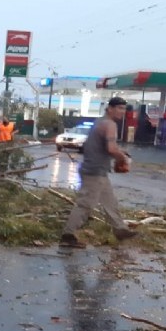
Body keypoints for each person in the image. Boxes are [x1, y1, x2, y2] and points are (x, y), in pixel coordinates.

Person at [60, 96, 136, 248]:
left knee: (110, 202)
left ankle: (120, 230)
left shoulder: (100, 122)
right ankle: (67, 236)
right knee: (85, 204)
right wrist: (123, 159)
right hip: (94, 171)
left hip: (98, 170)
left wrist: (120, 153)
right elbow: (111, 149)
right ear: (110, 108)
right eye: (119, 108)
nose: (122, 112)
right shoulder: (110, 124)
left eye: (124, 109)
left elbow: (105, 147)